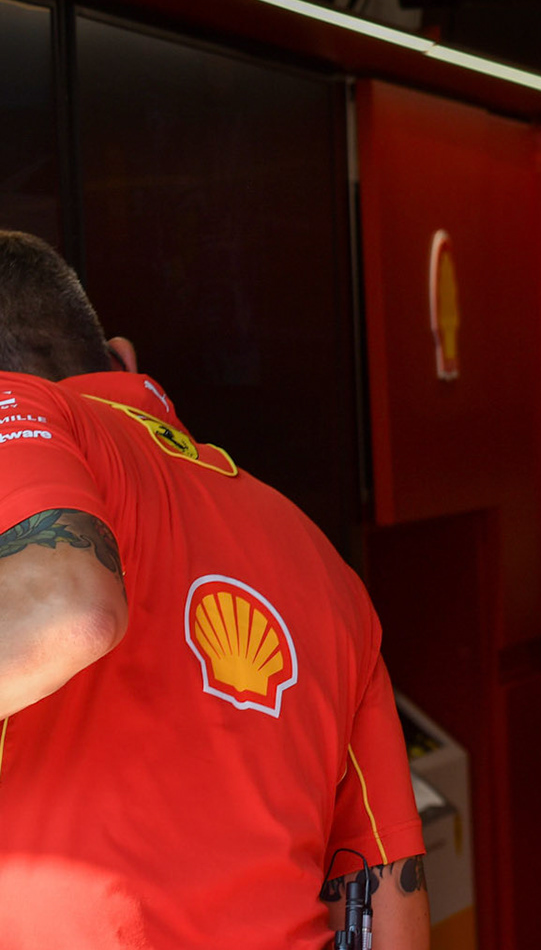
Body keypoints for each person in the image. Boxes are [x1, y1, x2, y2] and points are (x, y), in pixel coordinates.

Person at [0, 231, 427, 948]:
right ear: (126, 362)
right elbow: (390, 903)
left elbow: (70, 608)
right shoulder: (316, 555)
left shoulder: (25, 408)